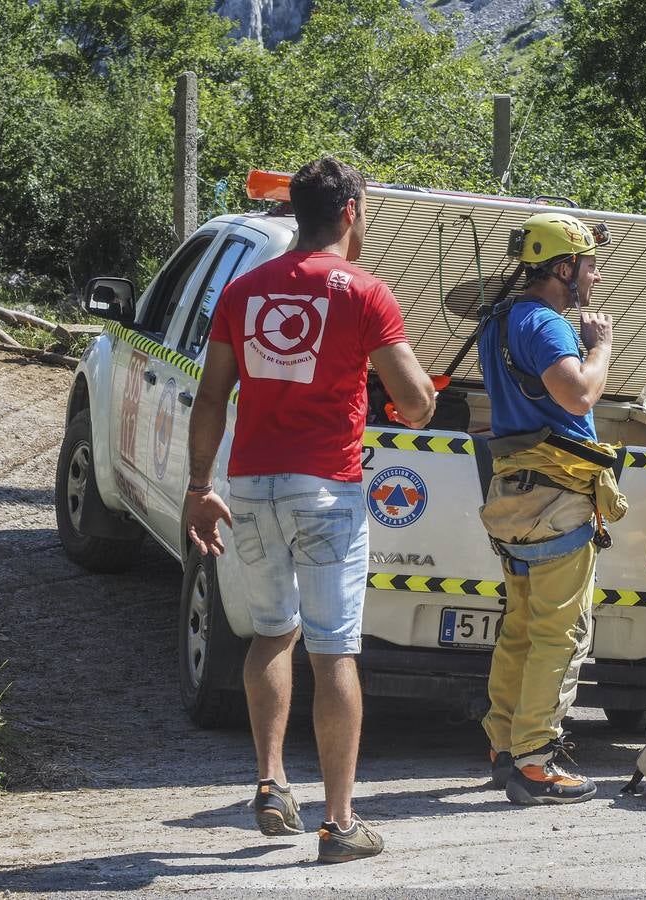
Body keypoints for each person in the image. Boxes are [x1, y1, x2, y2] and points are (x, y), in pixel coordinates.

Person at [184, 157, 437, 862]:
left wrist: (199, 489)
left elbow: (212, 398)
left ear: (297, 212)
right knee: (333, 651)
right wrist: (404, 393)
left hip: (251, 486)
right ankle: (339, 823)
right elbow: (416, 405)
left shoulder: (244, 289)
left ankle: (269, 782)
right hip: (327, 488)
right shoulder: (366, 292)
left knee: (271, 634)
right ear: (351, 211)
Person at [477, 211, 624, 806]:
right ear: (563, 267)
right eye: (588, 264)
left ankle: (505, 744)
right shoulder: (546, 326)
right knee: (561, 633)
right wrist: (601, 347)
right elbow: (579, 392)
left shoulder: (500, 322)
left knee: (520, 627)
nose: (593, 275)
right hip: (557, 496)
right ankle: (535, 760)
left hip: (514, 492)